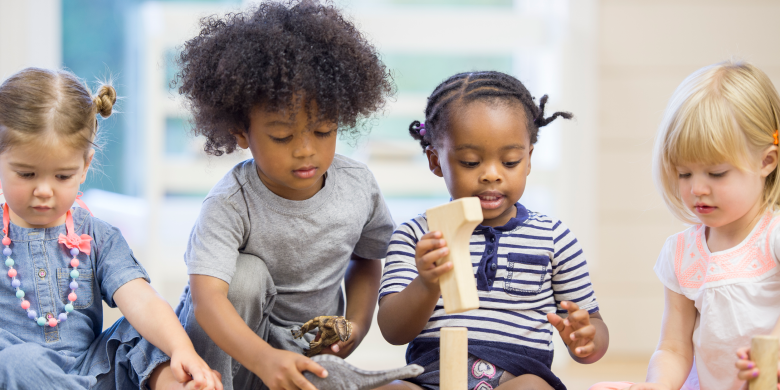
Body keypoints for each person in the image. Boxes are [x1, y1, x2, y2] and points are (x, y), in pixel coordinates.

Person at [171, 1, 396, 389]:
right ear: (241, 132)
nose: (305, 149)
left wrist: (355, 327)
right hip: (232, 359)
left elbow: (367, 258)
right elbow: (207, 300)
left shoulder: (359, 187)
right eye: (282, 136)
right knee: (244, 277)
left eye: (323, 131)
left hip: (304, 359)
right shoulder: (230, 202)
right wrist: (264, 359)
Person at [375, 70, 609, 390]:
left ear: (528, 160)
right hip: (431, 380)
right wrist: (428, 283)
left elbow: (591, 325)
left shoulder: (554, 237)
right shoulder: (416, 236)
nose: (491, 175)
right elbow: (393, 331)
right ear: (435, 161)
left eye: (510, 161)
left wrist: (586, 338)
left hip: (515, 382)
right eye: (470, 162)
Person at [0, 67, 221, 390]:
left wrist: (181, 350)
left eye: (62, 176)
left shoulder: (98, 236)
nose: (44, 190)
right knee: (15, 362)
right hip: (18, 374)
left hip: (93, 371)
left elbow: (141, 300)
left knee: (142, 334)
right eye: (27, 174)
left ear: (85, 166)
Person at [590, 60, 780, 390]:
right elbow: (674, 348)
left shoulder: (773, 237)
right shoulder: (682, 253)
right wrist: (655, 385)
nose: (697, 189)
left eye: (716, 173)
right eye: (684, 173)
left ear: (766, 162)